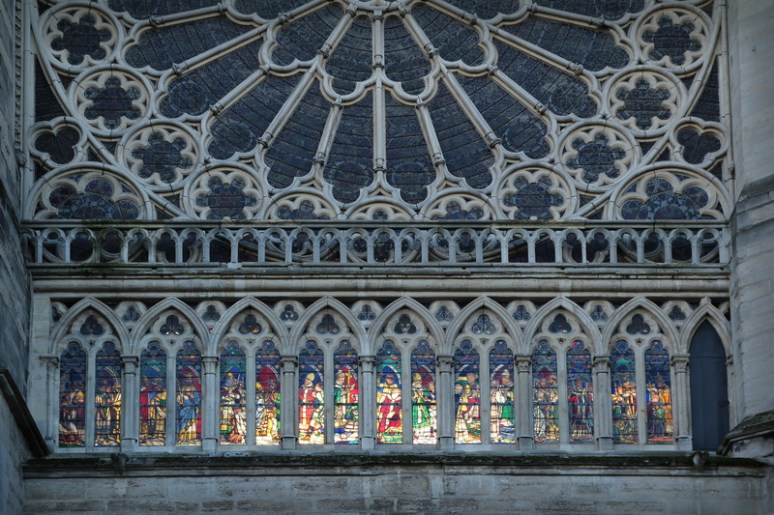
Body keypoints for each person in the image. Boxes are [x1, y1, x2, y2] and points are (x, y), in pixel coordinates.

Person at [376, 367, 402, 443]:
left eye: (392, 378)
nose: (390, 379)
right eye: (388, 378)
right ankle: (380, 434)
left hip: (393, 410)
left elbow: (399, 402)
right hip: (382, 407)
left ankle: (390, 433)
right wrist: (378, 377)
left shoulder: (396, 387)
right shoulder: (381, 386)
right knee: (381, 420)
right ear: (386, 378)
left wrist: (394, 411)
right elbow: (375, 386)